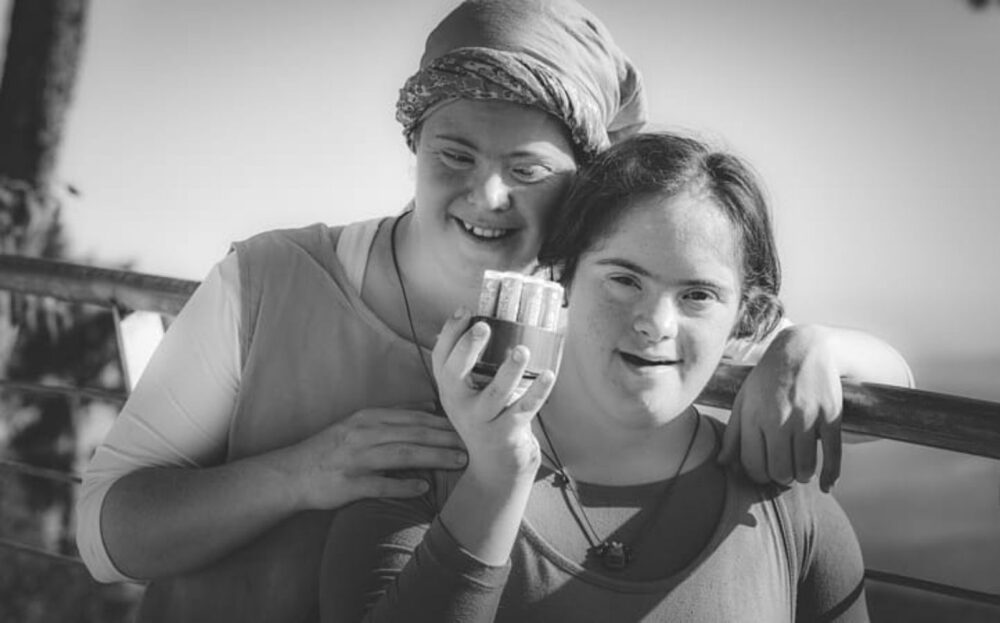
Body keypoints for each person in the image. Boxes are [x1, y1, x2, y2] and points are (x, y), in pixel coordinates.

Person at [76, 1, 907, 621]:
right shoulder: (267, 280)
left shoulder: (601, 308)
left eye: (529, 169)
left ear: (582, 190)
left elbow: (872, 382)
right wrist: (300, 474)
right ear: (415, 147)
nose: (488, 194)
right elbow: (103, 537)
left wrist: (806, 347)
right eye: (455, 155)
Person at [319, 132, 869, 622]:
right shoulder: (415, 471)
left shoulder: (793, 513)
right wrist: (494, 480)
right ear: (562, 276)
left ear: (744, 315)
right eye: (625, 280)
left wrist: (808, 343)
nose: (656, 324)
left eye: (698, 295)